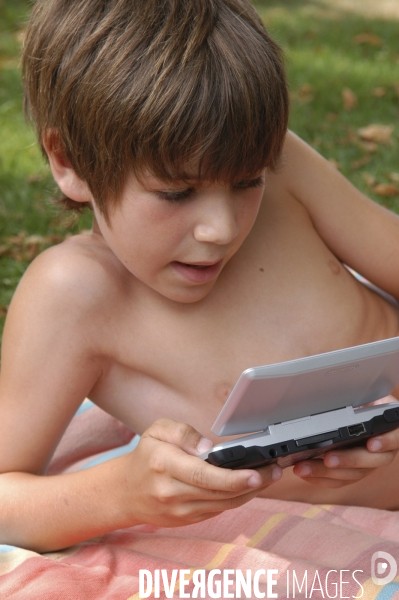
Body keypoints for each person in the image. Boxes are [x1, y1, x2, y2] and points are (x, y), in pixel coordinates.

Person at [0, 0, 399, 553]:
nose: (221, 227)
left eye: (246, 182)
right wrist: (118, 494)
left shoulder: (279, 163)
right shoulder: (76, 298)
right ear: (69, 161)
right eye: (176, 193)